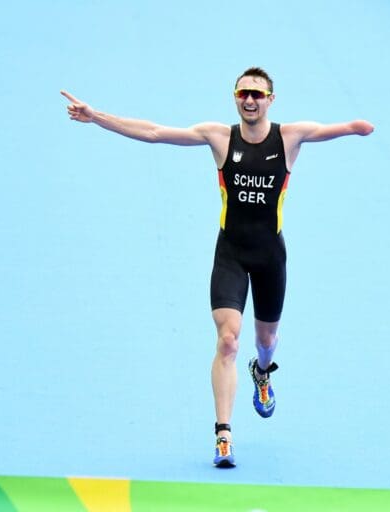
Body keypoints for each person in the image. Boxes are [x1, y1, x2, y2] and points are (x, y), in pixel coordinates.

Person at [61, 67, 374, 468]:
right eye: (243, 92)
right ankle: (223, 435)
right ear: (235, 96)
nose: (250, 100)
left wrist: (356, 128)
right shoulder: (219, 137)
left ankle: (262, 373)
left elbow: (335, 128)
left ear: (270, 100)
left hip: (270, 258)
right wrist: (97, 117)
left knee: (266, 342)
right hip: (230, 253)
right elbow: (155, 132)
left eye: (258, 94)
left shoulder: (289, 137)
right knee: (228, 340)